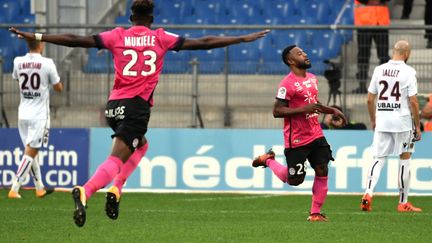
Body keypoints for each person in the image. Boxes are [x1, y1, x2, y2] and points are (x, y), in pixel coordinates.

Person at [10, 0, 269, 227]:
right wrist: (239, 39)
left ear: (131, 17)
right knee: (117, 157)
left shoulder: (117, 35)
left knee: (141, 147)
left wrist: (39, 37)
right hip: (136, 107)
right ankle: (86, 190)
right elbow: (202, 43)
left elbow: (77, 40)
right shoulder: (160, 37)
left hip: (113, 106)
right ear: (152, 19)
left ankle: (116, 188)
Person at [252, 45, 347, 222]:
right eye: (299, 53)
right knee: (294, 180)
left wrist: (332, 110)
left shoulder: (312, 78)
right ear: (291, 60)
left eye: (304, 52)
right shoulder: (286, 84)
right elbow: (277, 111)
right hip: (296, 138)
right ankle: (268, 160)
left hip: (316, 134)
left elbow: (313, 103)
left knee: (322, 168)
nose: (305, 54)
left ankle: (315, 213)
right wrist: (304, 109)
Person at [361, 40, 422, 212]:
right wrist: (417, 126)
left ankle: (368, 193)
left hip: (382, 120)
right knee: (405, 158)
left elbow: (369, 99)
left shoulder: (379, 70)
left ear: (394, 51)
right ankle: (403, 203)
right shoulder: (409, 72)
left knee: (378, 158)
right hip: (402, 122)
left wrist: (373, 120)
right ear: (407, 54)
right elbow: (414, 101)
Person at [8, 39, 63, 199]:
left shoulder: (18, 61)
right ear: (41, 45)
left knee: (30, 151)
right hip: (39, 116)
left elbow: (17, 79)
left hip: (23, 113)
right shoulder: (47, 63)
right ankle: (15, 187)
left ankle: (39, 187)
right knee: (31, 152)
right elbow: (58, 88)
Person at [353, 0, 391, 93]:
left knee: (383, 56)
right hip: (364, 20)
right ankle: (362, 85)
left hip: (380, 21)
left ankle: (385, 86)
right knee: (363, 56)